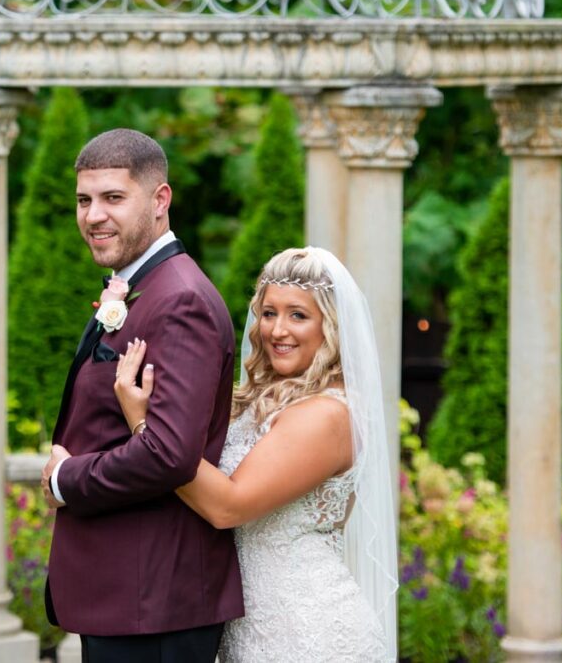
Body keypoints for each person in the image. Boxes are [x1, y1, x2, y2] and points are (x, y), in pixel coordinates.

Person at [108, 247, 399, 662]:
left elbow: (228, 506)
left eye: (298, 315)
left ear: (330, 326)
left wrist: (144, 427)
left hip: (307, 634)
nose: (277, 330)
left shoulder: (327, 415)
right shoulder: (263, 398)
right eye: (268, 313)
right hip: (250, 629)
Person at [39, 128, 243, 662]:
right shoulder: (138, 285)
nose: (93, 216)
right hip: (129, 599)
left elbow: (170, 455)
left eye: (113, 198)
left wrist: (66, 478)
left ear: (160, 200)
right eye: (84, 200)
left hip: (155, 603)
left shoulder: (181, 301)